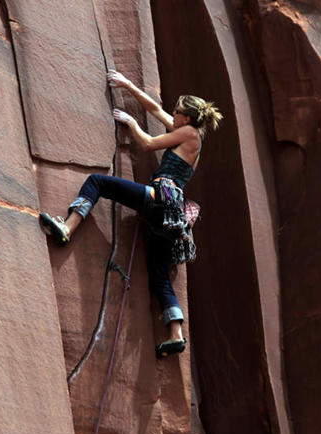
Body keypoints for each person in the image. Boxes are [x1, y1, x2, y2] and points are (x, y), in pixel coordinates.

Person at [39, 69, 222, 358]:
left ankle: (68, 228)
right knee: (160, 277)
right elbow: (156, 108)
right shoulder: (188, 133)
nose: (172, 114)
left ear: (187, 118)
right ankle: (176, 334)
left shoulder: (187, 133)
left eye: (178, 111)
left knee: (97, 183)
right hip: (170, 216)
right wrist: (127, 85)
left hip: (160, 198)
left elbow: (147, 143)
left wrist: (132, 124)